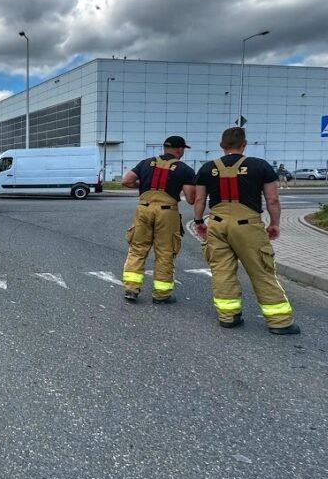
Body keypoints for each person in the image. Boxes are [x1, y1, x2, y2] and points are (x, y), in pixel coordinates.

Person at [193, 127, 297, 334]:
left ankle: (228, 316)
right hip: (247, 226)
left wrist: (198, 221)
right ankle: (279, 322)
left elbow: (199, 199)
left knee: (222, 271)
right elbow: (272, 199)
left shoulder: (207, 168)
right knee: (261, 270)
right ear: (245, 144)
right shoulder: (259, 166)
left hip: (217, 223)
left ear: (222, 146)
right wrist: (274, 224)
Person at [120, 136, 197, 304]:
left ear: (164, 148)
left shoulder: (146, 163)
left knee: (138, 249)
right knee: (165, 252)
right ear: (180, 149)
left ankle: (131, 289)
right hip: (167, 212)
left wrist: (140, 186)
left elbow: (126, 180)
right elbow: (191, 198)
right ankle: (161, 294)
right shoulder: (185, 169)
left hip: (144, 208)